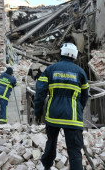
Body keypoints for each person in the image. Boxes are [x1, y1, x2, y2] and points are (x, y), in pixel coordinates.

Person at [34, 42, 89, 170]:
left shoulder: (50, 70)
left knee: (51, 143)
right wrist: (78, 109)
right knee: (75, 151)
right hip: (73, 118)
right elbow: (85, 96)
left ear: (61, 53)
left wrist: (38, 112)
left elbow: (40, 93)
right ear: (74, 55)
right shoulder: (81, 72)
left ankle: (47, 167)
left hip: (53, 116)